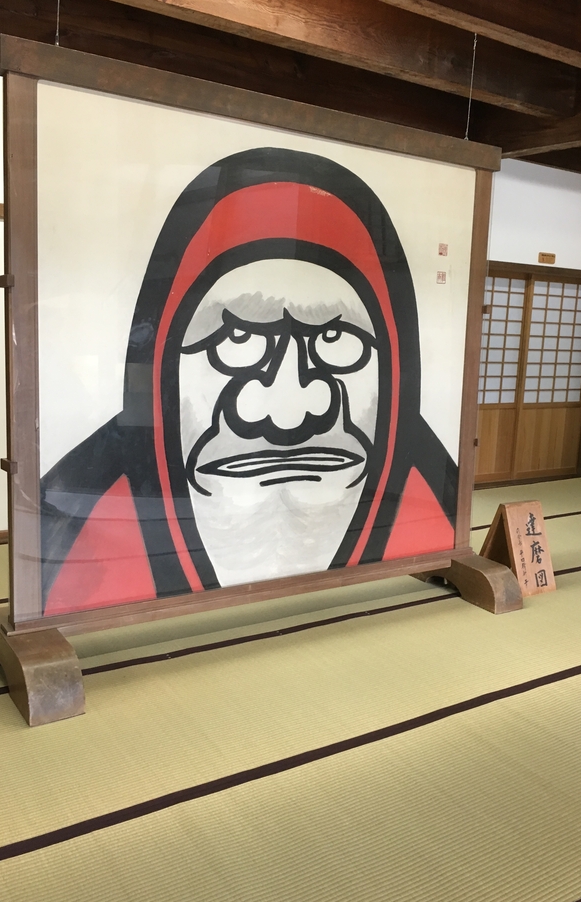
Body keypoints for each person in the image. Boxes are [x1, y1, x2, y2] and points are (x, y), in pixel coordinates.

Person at [40, 148, 458, 615]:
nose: (289, 411)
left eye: (335, 339)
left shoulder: (436, 493)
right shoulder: (71, 517)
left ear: (396, 373)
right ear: (161, 367)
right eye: (235, 339)